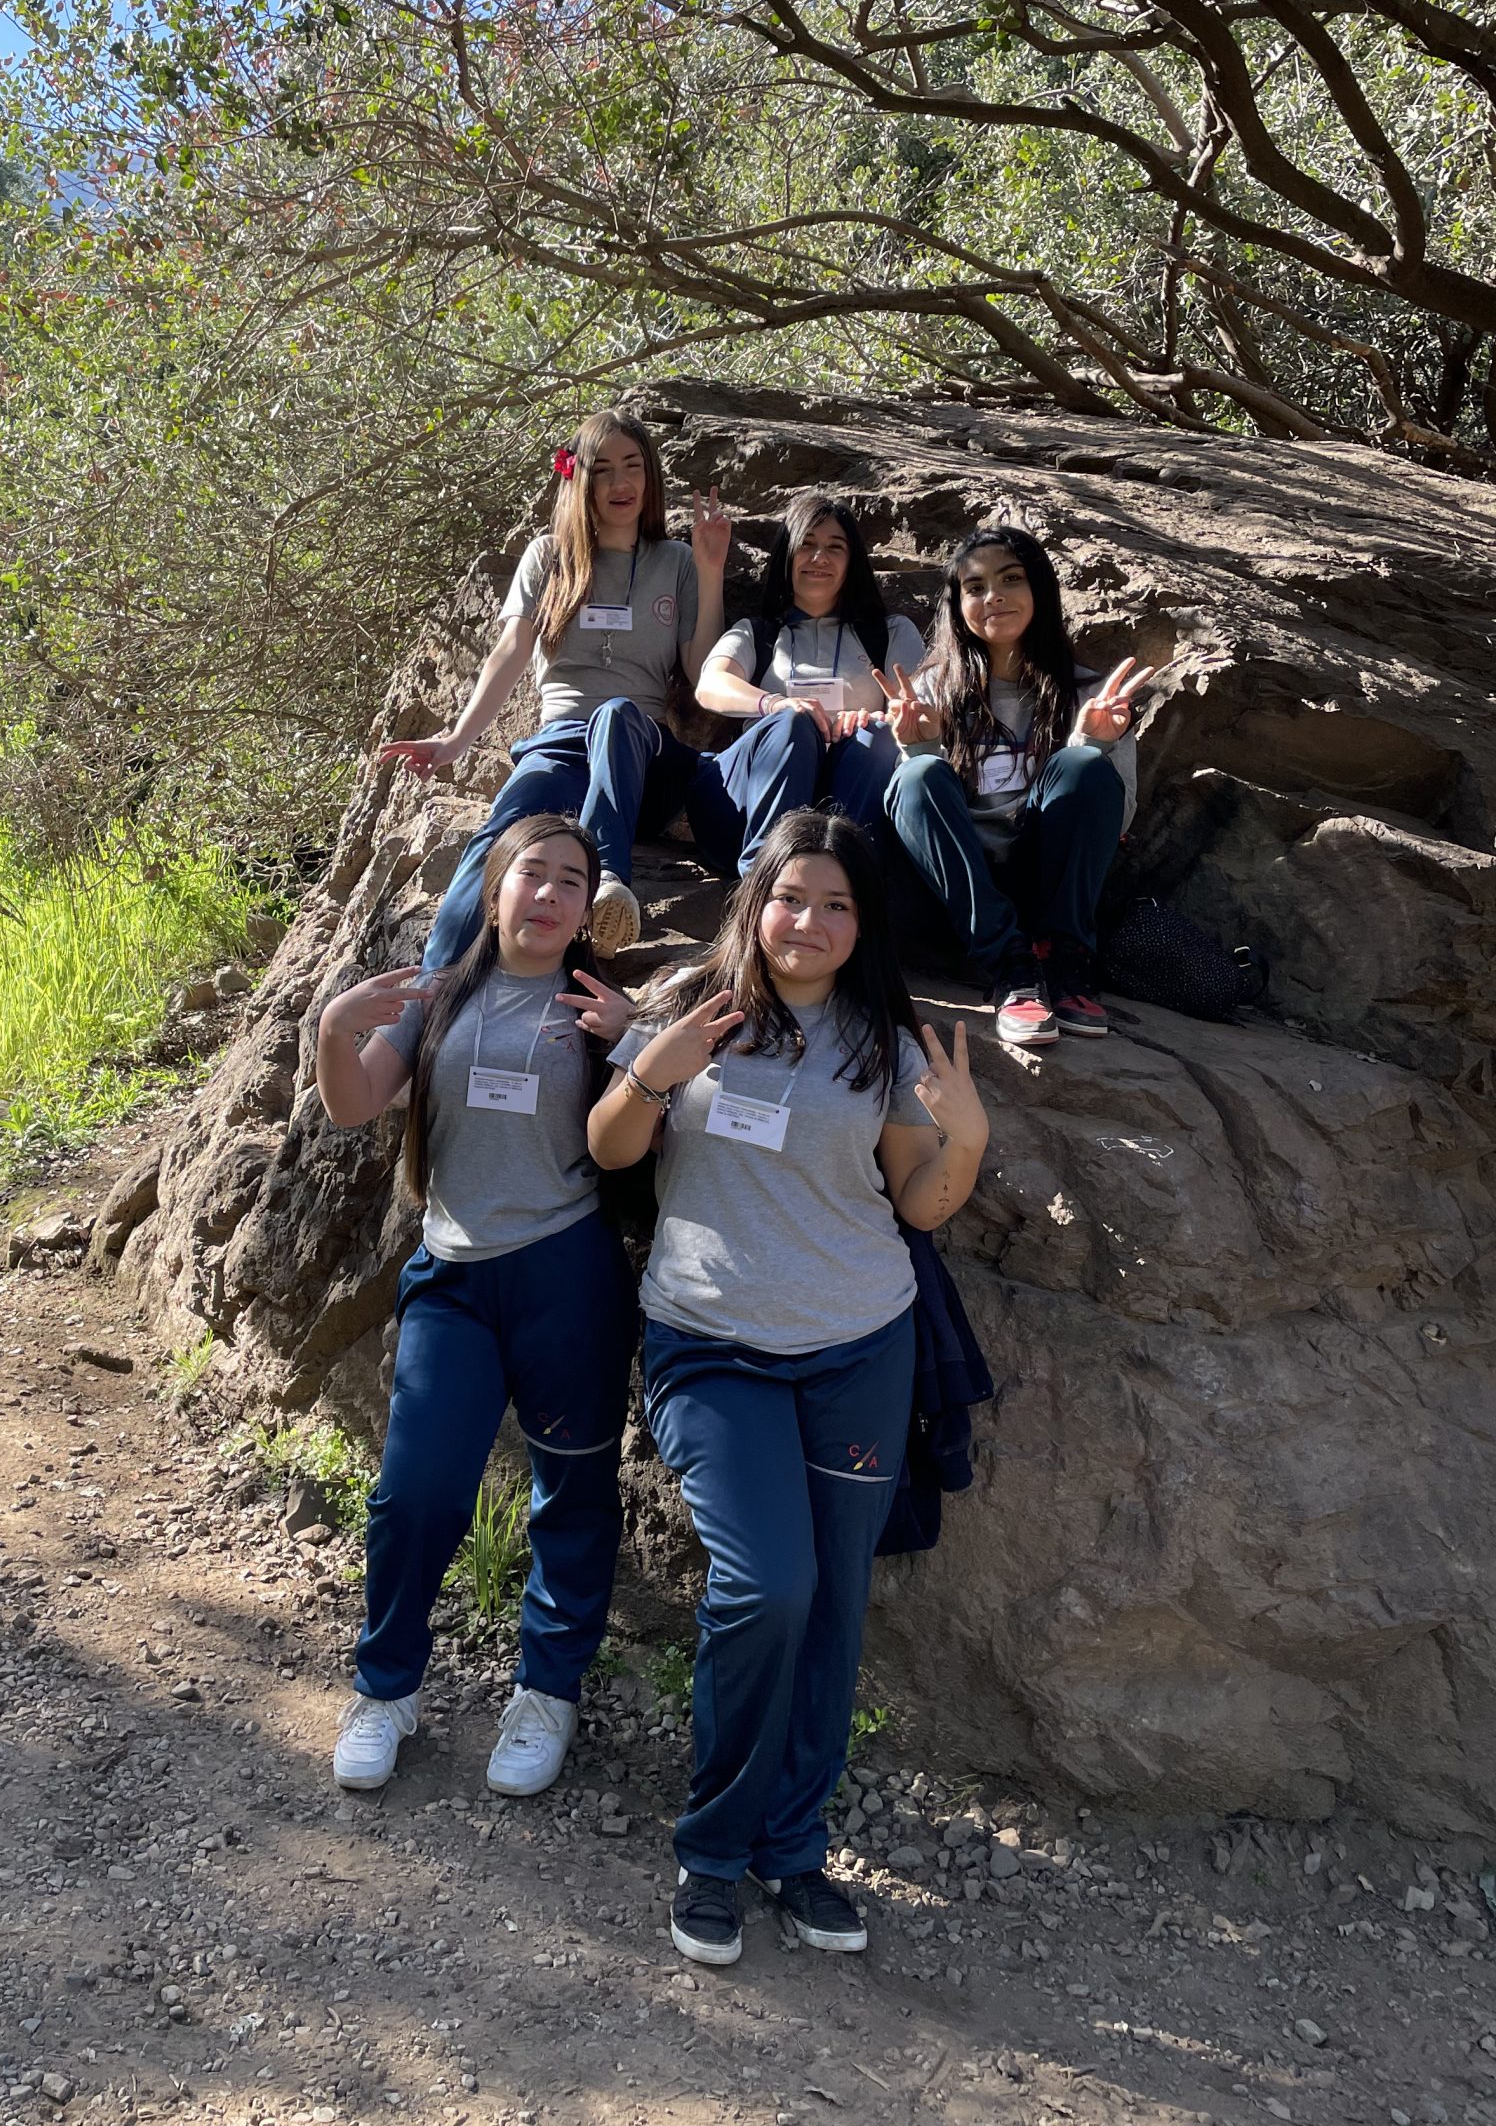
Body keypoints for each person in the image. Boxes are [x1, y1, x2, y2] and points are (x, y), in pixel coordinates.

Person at [589, 809, 987, 1967]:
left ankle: (794, 1847)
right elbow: (611, 1148)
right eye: (790, 897)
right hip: (711, 1346)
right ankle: (712, 1851)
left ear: (864, 925)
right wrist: (651, 1073)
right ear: (754, 903)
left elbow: (918, 1202)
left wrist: (965, 1139)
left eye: (836, 905)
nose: (808, 922)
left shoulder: (885, 1042)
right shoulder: (689, 1006)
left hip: (858, 1347)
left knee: (834, 1608)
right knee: (768, 1587)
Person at [314, 813, 638, 1800]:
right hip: (453, 1275)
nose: (549, 894)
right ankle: (385, 1688)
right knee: (414, 1494)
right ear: (494, 891)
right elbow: (353, 1103)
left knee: (572, 1494)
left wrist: (635, 1047)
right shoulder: (441, 997)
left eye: (571, 881)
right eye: (532, 873)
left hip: (567, 1274)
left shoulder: (600, 1009)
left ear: (587, 908)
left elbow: (649, 1141)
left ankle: (547, 1694)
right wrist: (332, 1028)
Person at [383, 413, 730, 962]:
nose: (620, 483)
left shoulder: (676, 561)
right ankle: (435, 980)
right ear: (581, 479)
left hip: (645, 757)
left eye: (633, 466)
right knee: (501, 838)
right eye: (603, 469)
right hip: (563, 746)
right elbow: (509, 652)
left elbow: (701, 669)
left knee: (617, 714)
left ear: (650, 477)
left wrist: (710, 572)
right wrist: (454, 741)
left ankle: (607, 883)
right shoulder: (548, 556)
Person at [881, 524, 1150, 1048]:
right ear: (957, 603)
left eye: (1010, 579)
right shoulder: (930, 689)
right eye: (975, 586)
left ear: (1039, 590)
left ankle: (1065, 964)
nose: (993, 596)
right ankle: (1012, 969)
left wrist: (1091, 744)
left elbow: (1114, 821)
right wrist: (921, 749)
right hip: (961, 892)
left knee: (1082, 765)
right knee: (916, 776)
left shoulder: (1091, 693)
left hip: (1044, 885)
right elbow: (917, 817)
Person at [688, 490, 925, 873]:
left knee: (876, 737)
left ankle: (846, 877)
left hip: (845, 795)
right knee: (792, 721)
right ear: (787, 555)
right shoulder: (757, 632)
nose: (820, 557)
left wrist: (881, 720)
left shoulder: (890, 633)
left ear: (852, 561)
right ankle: (766, 876)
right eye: (807, 544)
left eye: (835, 547)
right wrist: (775, 705)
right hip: (744, 808)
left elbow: (918, 711)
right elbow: (711, 684)